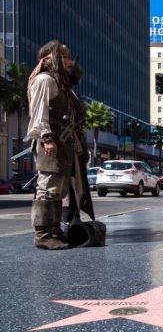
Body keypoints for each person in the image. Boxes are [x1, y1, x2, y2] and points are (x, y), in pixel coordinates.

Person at [27, 40, 91, 250]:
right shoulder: (45, 80)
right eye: (66, 57)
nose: (71, 62)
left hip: (65, 145)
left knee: (59, 189)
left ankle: (54, 231)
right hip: (52, 143)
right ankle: (43, 235)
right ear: (52, 58)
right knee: (47, 188)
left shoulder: (61, 84)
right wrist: (46, 138)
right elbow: (39, 112)